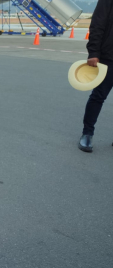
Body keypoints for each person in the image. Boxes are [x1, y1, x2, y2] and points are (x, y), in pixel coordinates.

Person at [78, 0, 113, 153]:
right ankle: (87, 133)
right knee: (98, 96)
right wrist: (93, 52)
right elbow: (98, 23)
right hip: (108, 57)